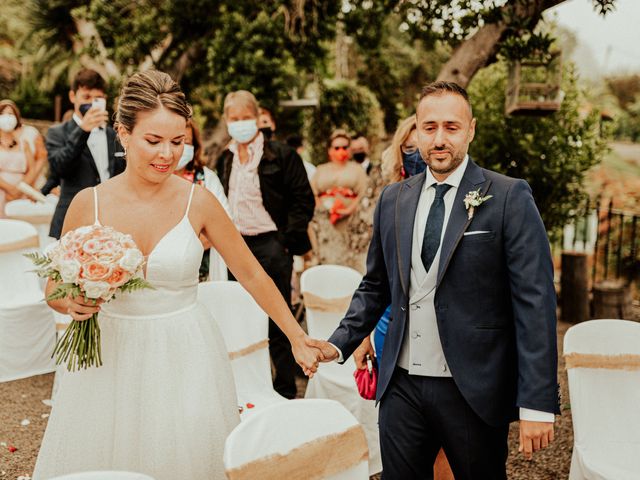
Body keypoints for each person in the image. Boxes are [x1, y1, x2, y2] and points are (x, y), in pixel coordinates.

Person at [33, 71, 322, 480]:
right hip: (109, 357)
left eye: (178, 141)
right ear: (123, 133)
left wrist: (297, 336)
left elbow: (253, 275)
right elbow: (54, 288)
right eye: (154, 141)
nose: (167, 154)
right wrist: (72, 301)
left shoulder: (199, 202)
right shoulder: (87, 203)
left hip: (185, 354)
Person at [309, 81, 559, 479]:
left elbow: (535, 304)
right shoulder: (394, 198)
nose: (439, 139)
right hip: (402, 387)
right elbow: (377, 285)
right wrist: (335, 344)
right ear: (417, 131)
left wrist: (537, 403)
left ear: (471, 129)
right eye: (429, 127)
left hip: (472, 388)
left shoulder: (509, 196)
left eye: (451, 127)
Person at [215, 90, 315, 399]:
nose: (240, 124)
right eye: (234, 119)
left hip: (272, 244)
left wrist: (286, 241)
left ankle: (285, 389)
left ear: (257, 118)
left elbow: (303, 200)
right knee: (242, 319)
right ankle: (250, 388)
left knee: (278, 318)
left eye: (245, 118)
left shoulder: (281, 155)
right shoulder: (226, 157)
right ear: (226, 121)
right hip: (237, 247)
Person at [46, 68, 125, 239]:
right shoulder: (57, 132)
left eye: (98, 98)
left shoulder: (114, 135)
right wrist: (83, 131)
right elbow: (59, 168)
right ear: (73, 96)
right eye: (86, 97)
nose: (91, 103)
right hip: (71, 221)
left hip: (110, 220)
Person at [174, 119, 229, 281]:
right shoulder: (153, 180)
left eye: (188, 142)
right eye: (178, 142)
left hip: (204, 269)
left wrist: (187, 250)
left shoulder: (207, 178)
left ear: (195, 146)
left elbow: (225, 222)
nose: (183, 147)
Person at [309, 129, 369, 272]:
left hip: (350, 223)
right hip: (325, 223)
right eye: (336, 148)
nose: (340, 151)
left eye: (344, 147)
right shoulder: (321, 170)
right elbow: (313, 193)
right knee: (328, 263)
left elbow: (364, 193)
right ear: (330, 150)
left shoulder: (357, 170)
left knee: (350, 264)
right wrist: (323, 210)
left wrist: (349, 209)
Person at [0, 99, 48, 216]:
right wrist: (10, 189)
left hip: (22, 191)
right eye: (2, 114)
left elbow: (31, 169)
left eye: (10, 114)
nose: (6, 117)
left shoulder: (24, 143)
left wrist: (19, 189)